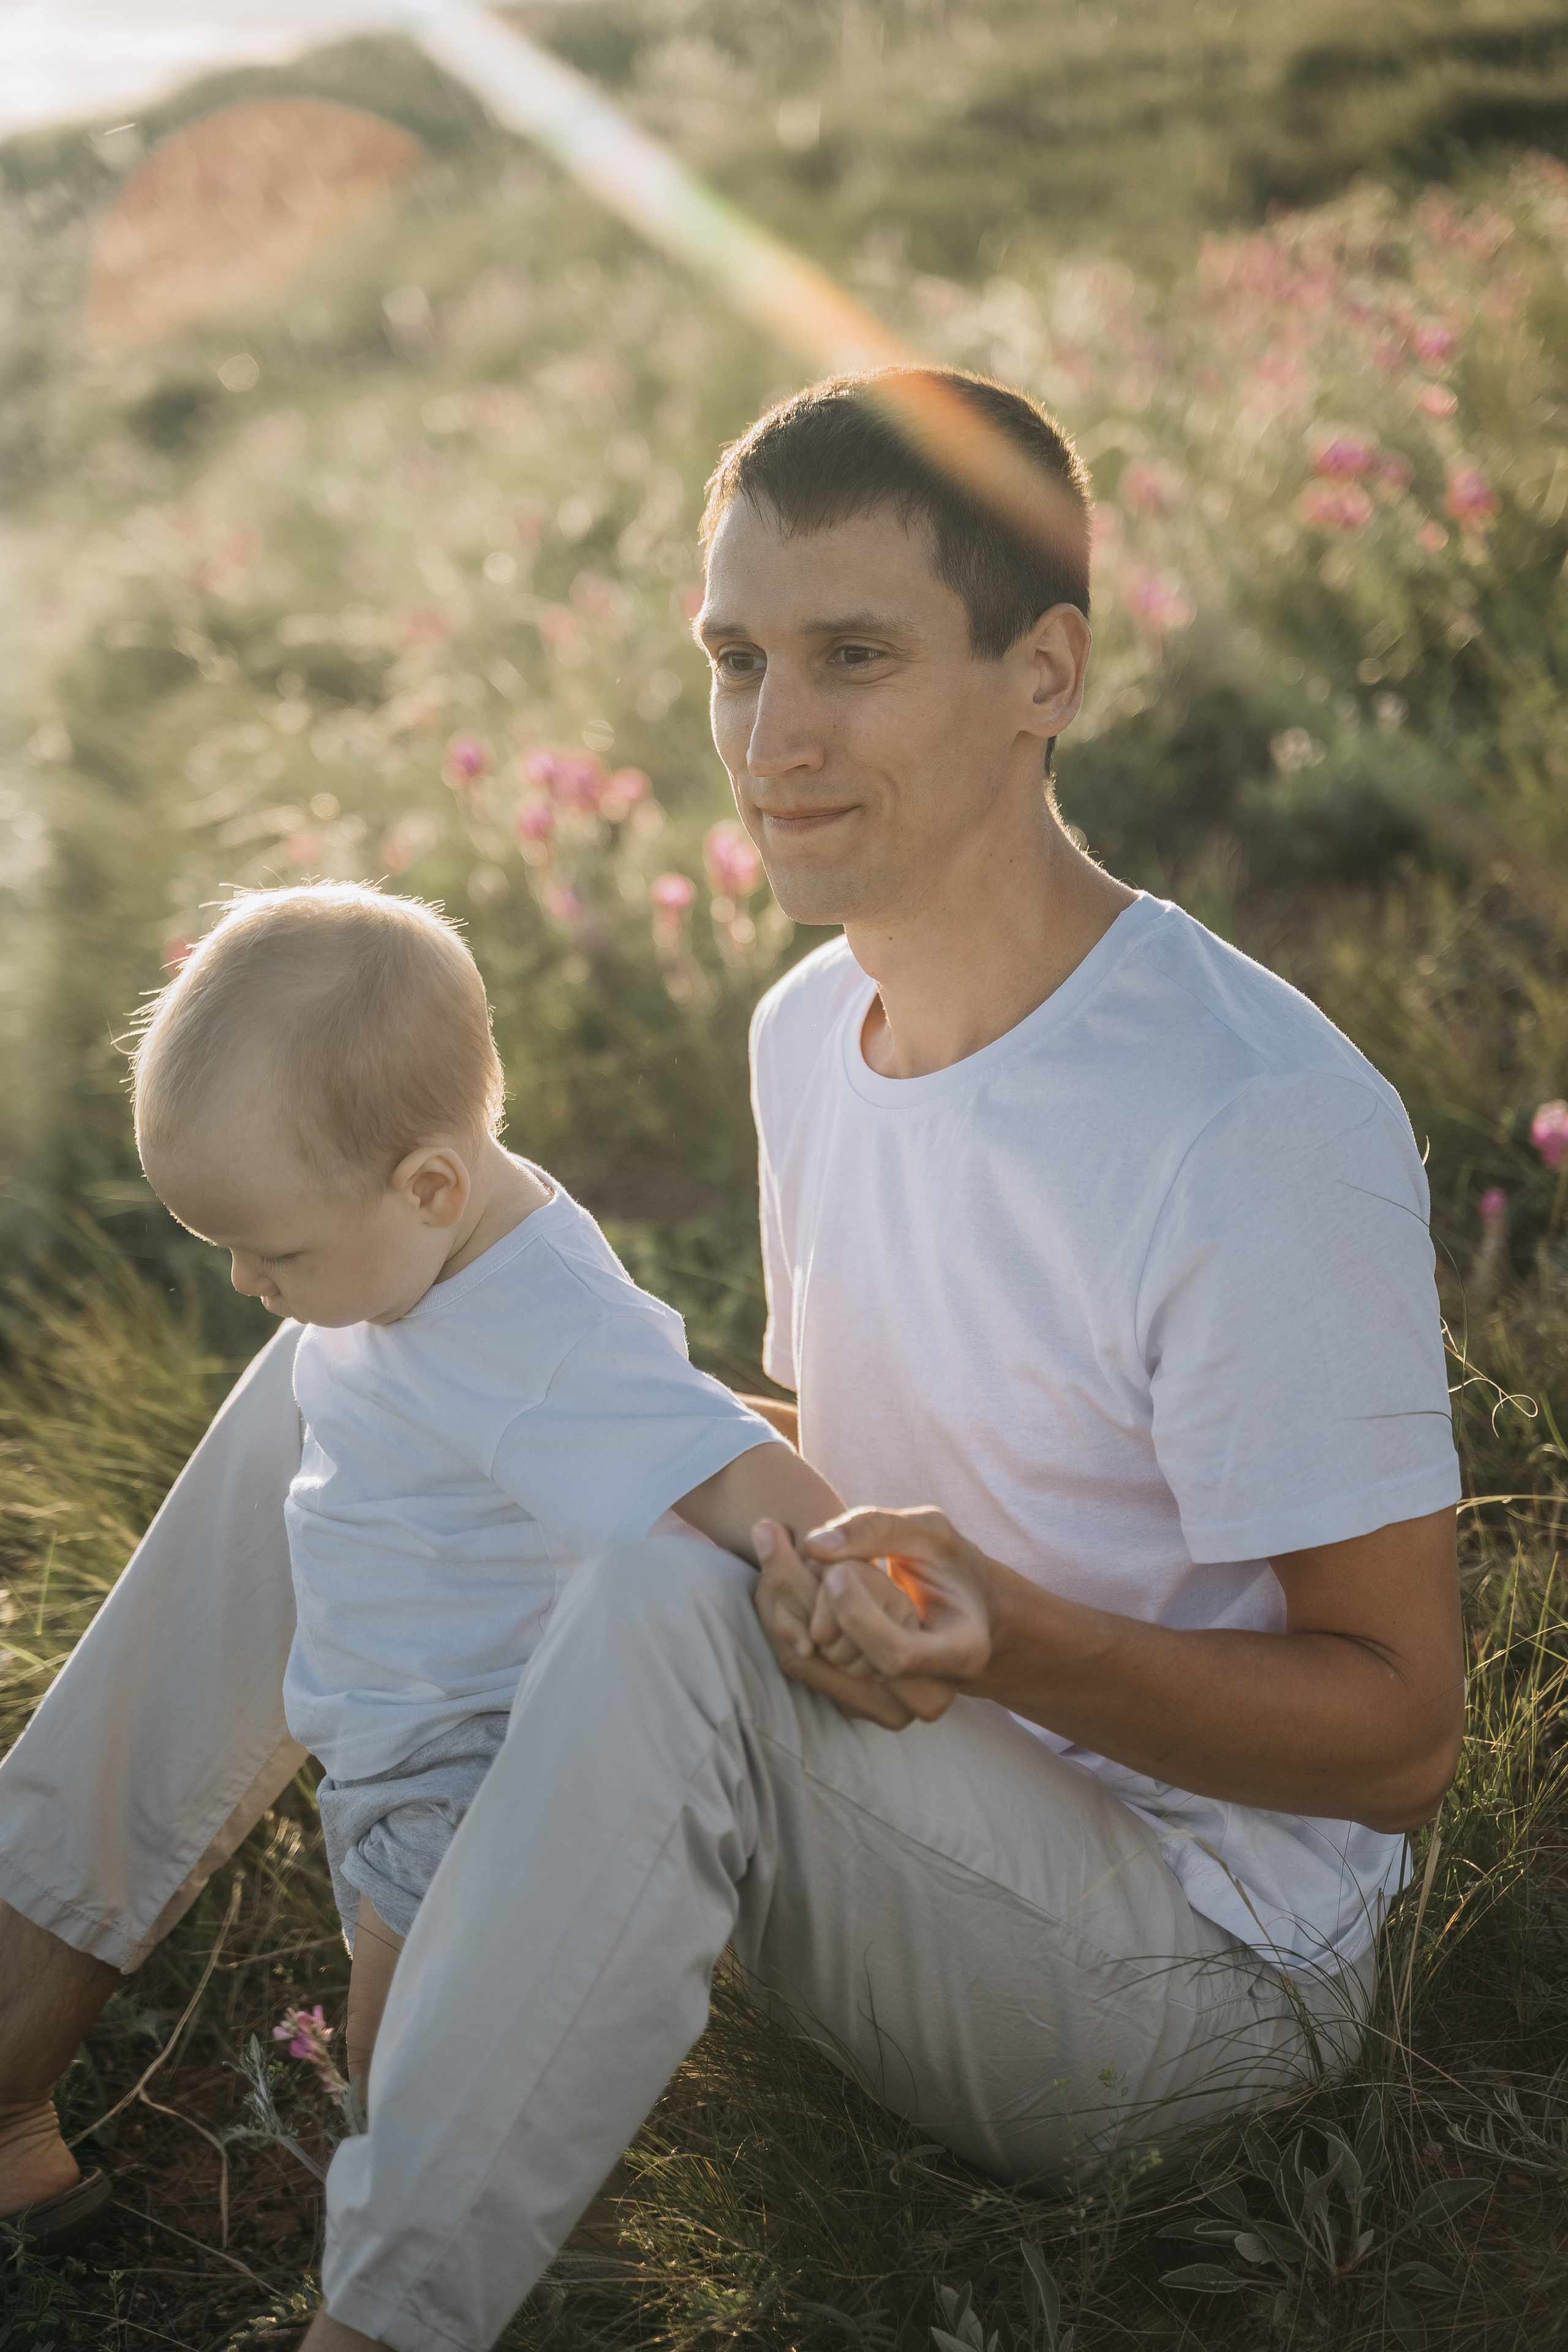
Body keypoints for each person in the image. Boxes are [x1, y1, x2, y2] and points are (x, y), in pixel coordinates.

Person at [0, 369, 1464, 2352]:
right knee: (381, 1347)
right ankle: (9, 2041)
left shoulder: (1252, 1118)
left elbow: (1398, 1736)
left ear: (1047, 671)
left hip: (1190, 1979)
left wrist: (1001, 1638)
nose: (771, 739)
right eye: (736, 659)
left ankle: (384, 2325)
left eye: (852, 657)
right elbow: (869, 1453)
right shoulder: (808, 1030)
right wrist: (552, 1392)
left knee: (656, 1613)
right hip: (902, 1784)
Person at [127, 881, 865, 2092]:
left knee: (415, 2077)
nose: (245, 1285)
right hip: (394, 1735)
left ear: (429, 1188)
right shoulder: (427, 1250)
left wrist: (852, 1571)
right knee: (463, 2056)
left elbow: (717, 1458)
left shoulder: (532, 1324)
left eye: (277, 1251)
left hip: (470, 1755)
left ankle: (506, 2259)